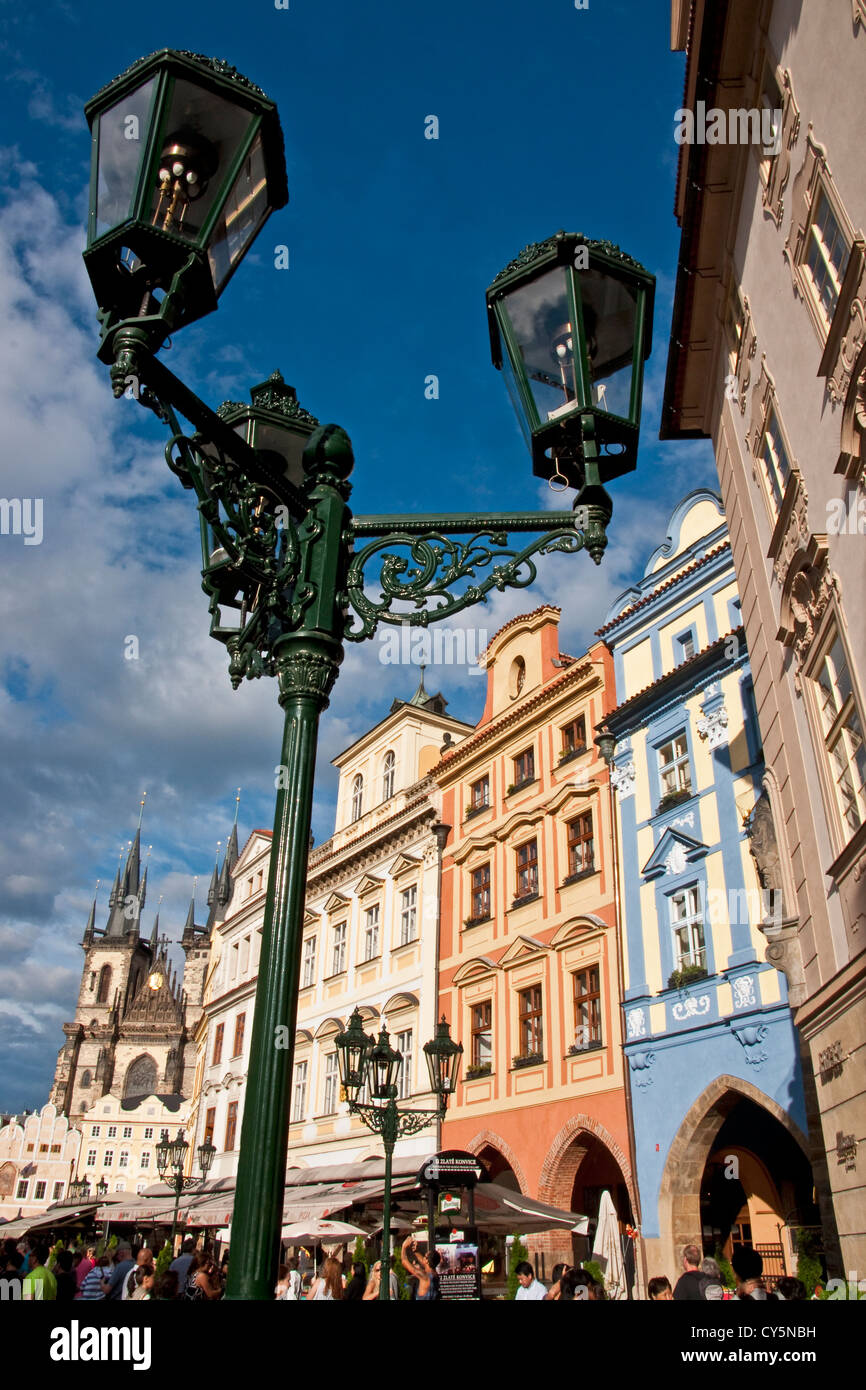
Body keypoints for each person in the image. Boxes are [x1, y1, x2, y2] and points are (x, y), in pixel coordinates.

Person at [400, 1236, 441, 1300]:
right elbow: (423, 1261)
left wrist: (404, 1247)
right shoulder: (435, 1275)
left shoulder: (424, 1275)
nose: (423, 1257)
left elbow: (404, 1262)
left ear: (427, 1261)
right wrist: (415, 1251)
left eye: (425, 1256)